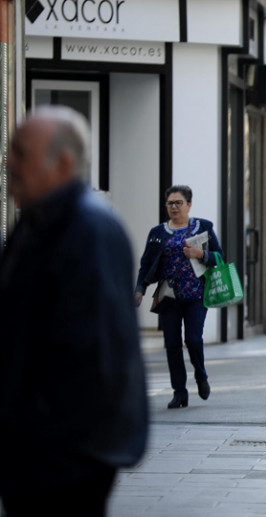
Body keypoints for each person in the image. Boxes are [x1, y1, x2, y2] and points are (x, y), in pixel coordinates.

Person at [0, 106, 148, 515]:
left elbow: (92, 352)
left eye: (21, 152)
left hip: (63, 453)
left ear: (63, 162)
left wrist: (40, 434)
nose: (9, 162)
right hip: (41, 446)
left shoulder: (87, 228)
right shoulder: (41, 220)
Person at [135, 185, 224, 409]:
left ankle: (201, 375)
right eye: (170, 203)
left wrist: (201, 254)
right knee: (172, 344)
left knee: (193, 339)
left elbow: (220, 258)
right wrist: (140, 289)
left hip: (195, 295)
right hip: (169, 297)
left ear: (189, 205)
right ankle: (179, 392)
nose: (174, 207)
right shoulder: (157, 233)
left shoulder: (202, 227)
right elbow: (146, 263)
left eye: (179, 203)